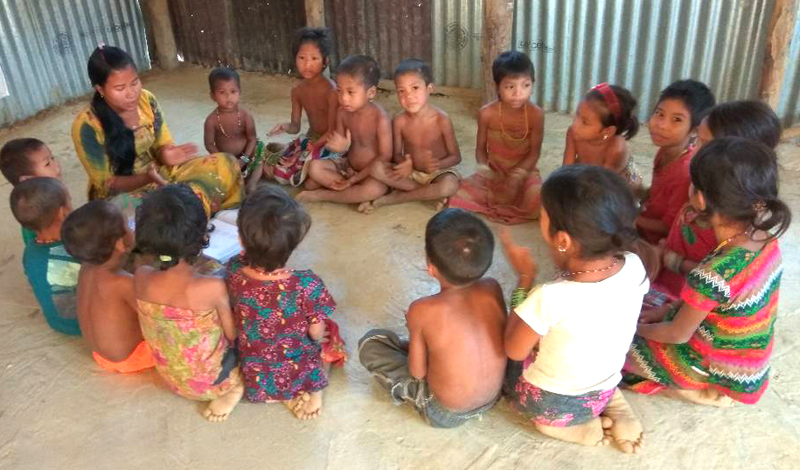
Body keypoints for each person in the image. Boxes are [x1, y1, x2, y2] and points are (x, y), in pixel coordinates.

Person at [624, 138, 790, 406]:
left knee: (604, 348)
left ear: (700, 199)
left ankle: (696, 389)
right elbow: (715, 305)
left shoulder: (715, 273)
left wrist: (632, 329)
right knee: (648, 300)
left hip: (709, 366)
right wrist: (664, 311)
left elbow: (677, 334)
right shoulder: (766, 241)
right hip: (744, 361)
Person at [502, 165, 647, 453]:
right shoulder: (634, 265)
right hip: (604, 383)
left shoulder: (550, 296)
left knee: (503, 363)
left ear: (563, 240)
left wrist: (525, 279)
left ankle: (567, 426)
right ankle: (613, 403)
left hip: (552, 401)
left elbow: (514, 350)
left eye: (542, 215)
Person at [359, 208, 507, 428]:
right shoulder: (492, 288)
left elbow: (418, 373)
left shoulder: (422, 310)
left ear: (430, 267)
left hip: (445, 414)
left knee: (371, 342)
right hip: (494, 395)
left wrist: (414, 330)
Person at [72, 45, 243, 217]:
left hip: (162, 175)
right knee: (133, 215)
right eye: (120, 88)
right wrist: (147, 178)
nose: (131, 93)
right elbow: (107, 185)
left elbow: (163, 143)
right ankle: (190, 211)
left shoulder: (147, 100)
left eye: (135, 82)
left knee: (226, 163)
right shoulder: (87, 126)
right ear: (100, 89)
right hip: (124, 196)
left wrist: (166, 154)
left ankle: (189, 212)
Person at [226, 185, 347, 420]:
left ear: (241, 240)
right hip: (296, 366)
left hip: (256, 365)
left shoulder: (234, 269)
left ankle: (263, 388)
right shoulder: (307, 284)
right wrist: (317, 334)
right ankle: (315, 388)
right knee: (330, 332)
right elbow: (315, 333)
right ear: (295, 243)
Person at [652, 100, 783, 301]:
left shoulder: (729, 217)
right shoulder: (701, 183)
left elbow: (726, 280)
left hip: (691, 302)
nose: (694, 150)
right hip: (670, 280)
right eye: (697, 139)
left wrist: (673, 261)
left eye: (704, 143)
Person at [133, 184, 244, 422]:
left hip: (172, 380)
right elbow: (233, 335)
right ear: (203, 235)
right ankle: (234, 389)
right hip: (215, 382)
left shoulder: (141, 276)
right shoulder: (212, 287)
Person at [449, 50, 544, 225]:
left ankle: (501, 204)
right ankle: (499, 203)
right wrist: (486, 171)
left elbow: (534, 153)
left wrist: (518, 175)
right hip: (495, 172)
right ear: (497, 86)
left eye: (525, 85)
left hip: (525, 173)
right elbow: (480, 148)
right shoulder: (487, 113)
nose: (518, 93)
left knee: (538, 199)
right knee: (457, 193)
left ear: (533, 84)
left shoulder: (536, 114)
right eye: (510, 87)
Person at [61, 201, 154, 373]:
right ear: (119, 243)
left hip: (99, 354)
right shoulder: (123, 283)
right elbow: (155, 316)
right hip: (131, 358)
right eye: (128, 226)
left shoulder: (86, 268)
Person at [359, 59, 461, 213]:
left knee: (449, 185)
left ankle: (394, 198)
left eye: (415, 88)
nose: (409, 96)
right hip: (411, 174)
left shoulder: (442, 119)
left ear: (429, 88)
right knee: (376, 168)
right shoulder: (399, 120)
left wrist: (437, 165)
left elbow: (456, 157)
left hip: (437, 173)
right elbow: (396, 154)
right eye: (401, 91)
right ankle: (428, 195)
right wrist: (405, 164)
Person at [296, 54, 391, 206]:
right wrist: (340, 149)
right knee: (314, 168)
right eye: (339, 91)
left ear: (371, 93)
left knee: (375, 188)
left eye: (350, 92)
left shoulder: (380, 118)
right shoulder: (342, 112)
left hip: (370, 173)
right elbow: (337, 143)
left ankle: (323, 195)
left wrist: (355, 179)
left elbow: (385, 156)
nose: (344, 98)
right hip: (347, 167)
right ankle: (352, 194)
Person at [636, 79, 715, 244]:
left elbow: (669, 227)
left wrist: (630, 219)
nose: (661, 125)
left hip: (659, 243)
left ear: (695, 130)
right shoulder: (665, 150)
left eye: (677, 120)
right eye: (659, 113)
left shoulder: (684, 172)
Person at [263, 27, 342, 187]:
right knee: (269, 165)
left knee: (308, 181)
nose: (307, 64)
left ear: (325, 61)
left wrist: (310, 149)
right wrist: (285, 127)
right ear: (295, 59)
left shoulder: (332, 91)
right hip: (312, 139)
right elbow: (295, 127)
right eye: (302, 58)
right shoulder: (297, 91)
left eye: (314, 58)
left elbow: (332, 131)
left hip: (330, 143)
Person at [9, 177, 80, 335]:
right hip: (86, 324)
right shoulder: (75, 247)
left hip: (57, 322)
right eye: (69, 200)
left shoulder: (29, 252)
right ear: (62, 213)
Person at [562, 83, 643, 196]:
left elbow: (603, 187)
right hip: (590, 177)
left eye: (585, 122)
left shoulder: (616, 149)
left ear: (607, 131)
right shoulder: (573, 133)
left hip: (616, 184)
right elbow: (566, 168)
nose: (575, 123)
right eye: (577, 114)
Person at [203, 67, 264, 190]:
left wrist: (244, 160)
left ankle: (252, 182)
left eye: (233, 91)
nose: (228, 97)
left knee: (259, 152)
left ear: (239, 92)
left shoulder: (245, 116)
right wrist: (224, 160)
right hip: (225, 159)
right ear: (213, 96)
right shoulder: (211, 120)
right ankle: (236, 181)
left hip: (247, 155)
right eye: (222, 92)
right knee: (210, 169)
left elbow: (252, 139)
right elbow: (209, 144)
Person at [1, 138, 63, 246]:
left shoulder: (55, 194)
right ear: (28, 180)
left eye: (53, 158)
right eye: (47, 163)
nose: (57, 165)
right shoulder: (36, 215)